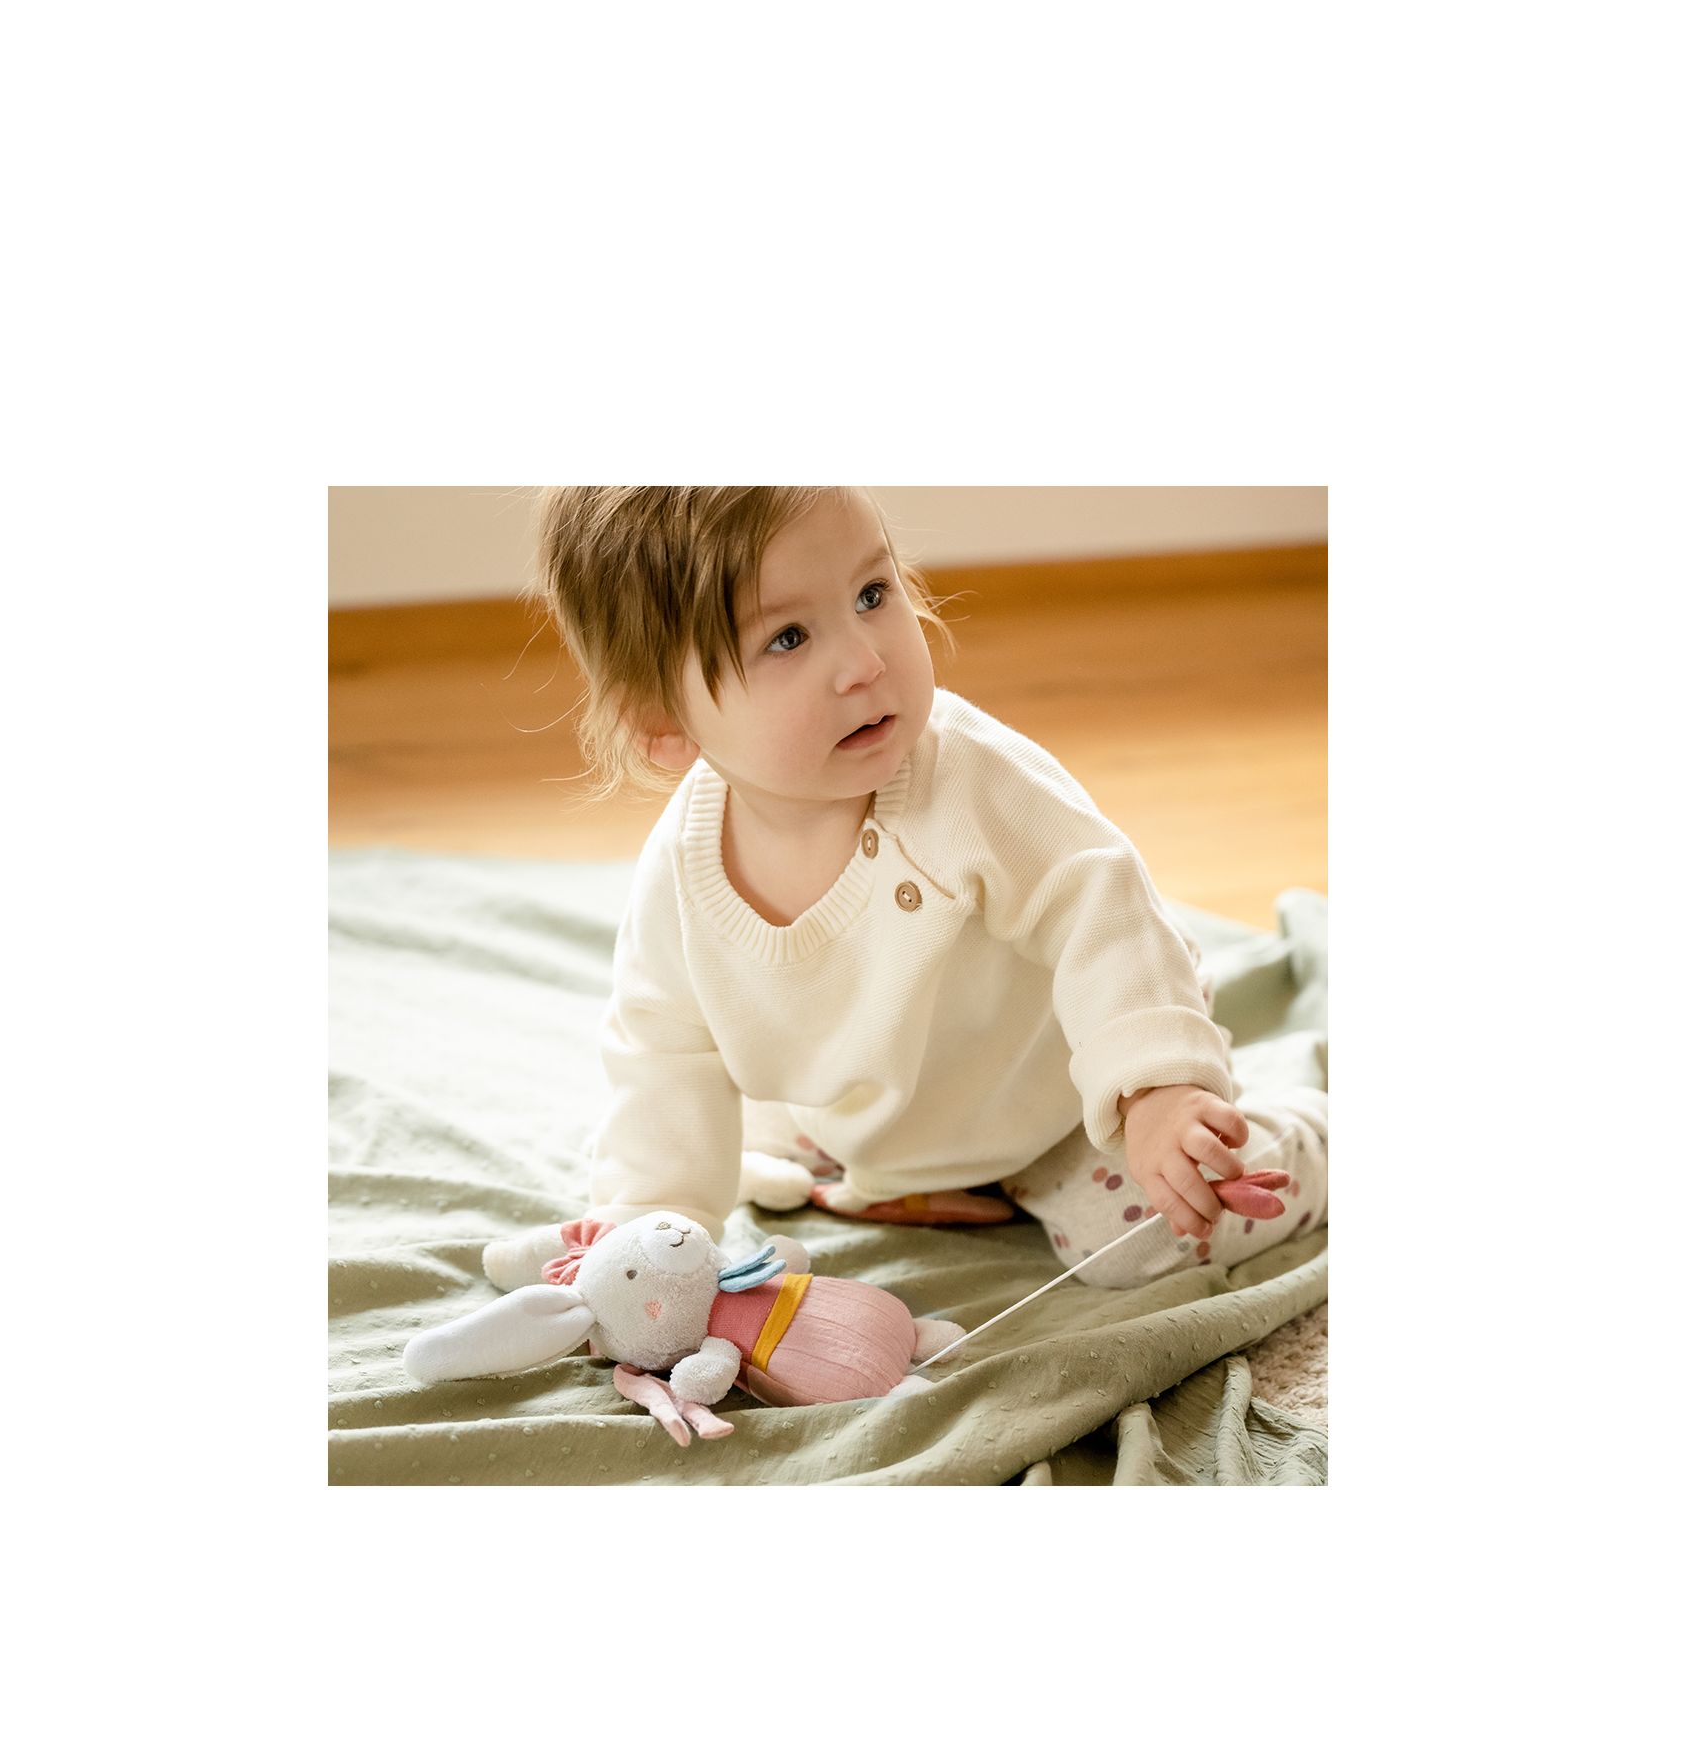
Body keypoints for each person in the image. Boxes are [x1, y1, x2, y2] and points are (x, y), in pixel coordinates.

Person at [521, 485, 1326, 1293]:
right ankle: (913, 1177)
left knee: (1154, 1231)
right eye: (788, 637)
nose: (866, 662)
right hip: (875, 1119)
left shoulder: (969, 779)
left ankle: (1314, 1133)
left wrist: (1156, 1089)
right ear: (662, 722)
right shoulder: (682, 879)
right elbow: (662, 1052)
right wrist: (655, 1228)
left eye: (872, 595)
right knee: (711, 1136)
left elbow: (1102, 905)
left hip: (1064, 1102)